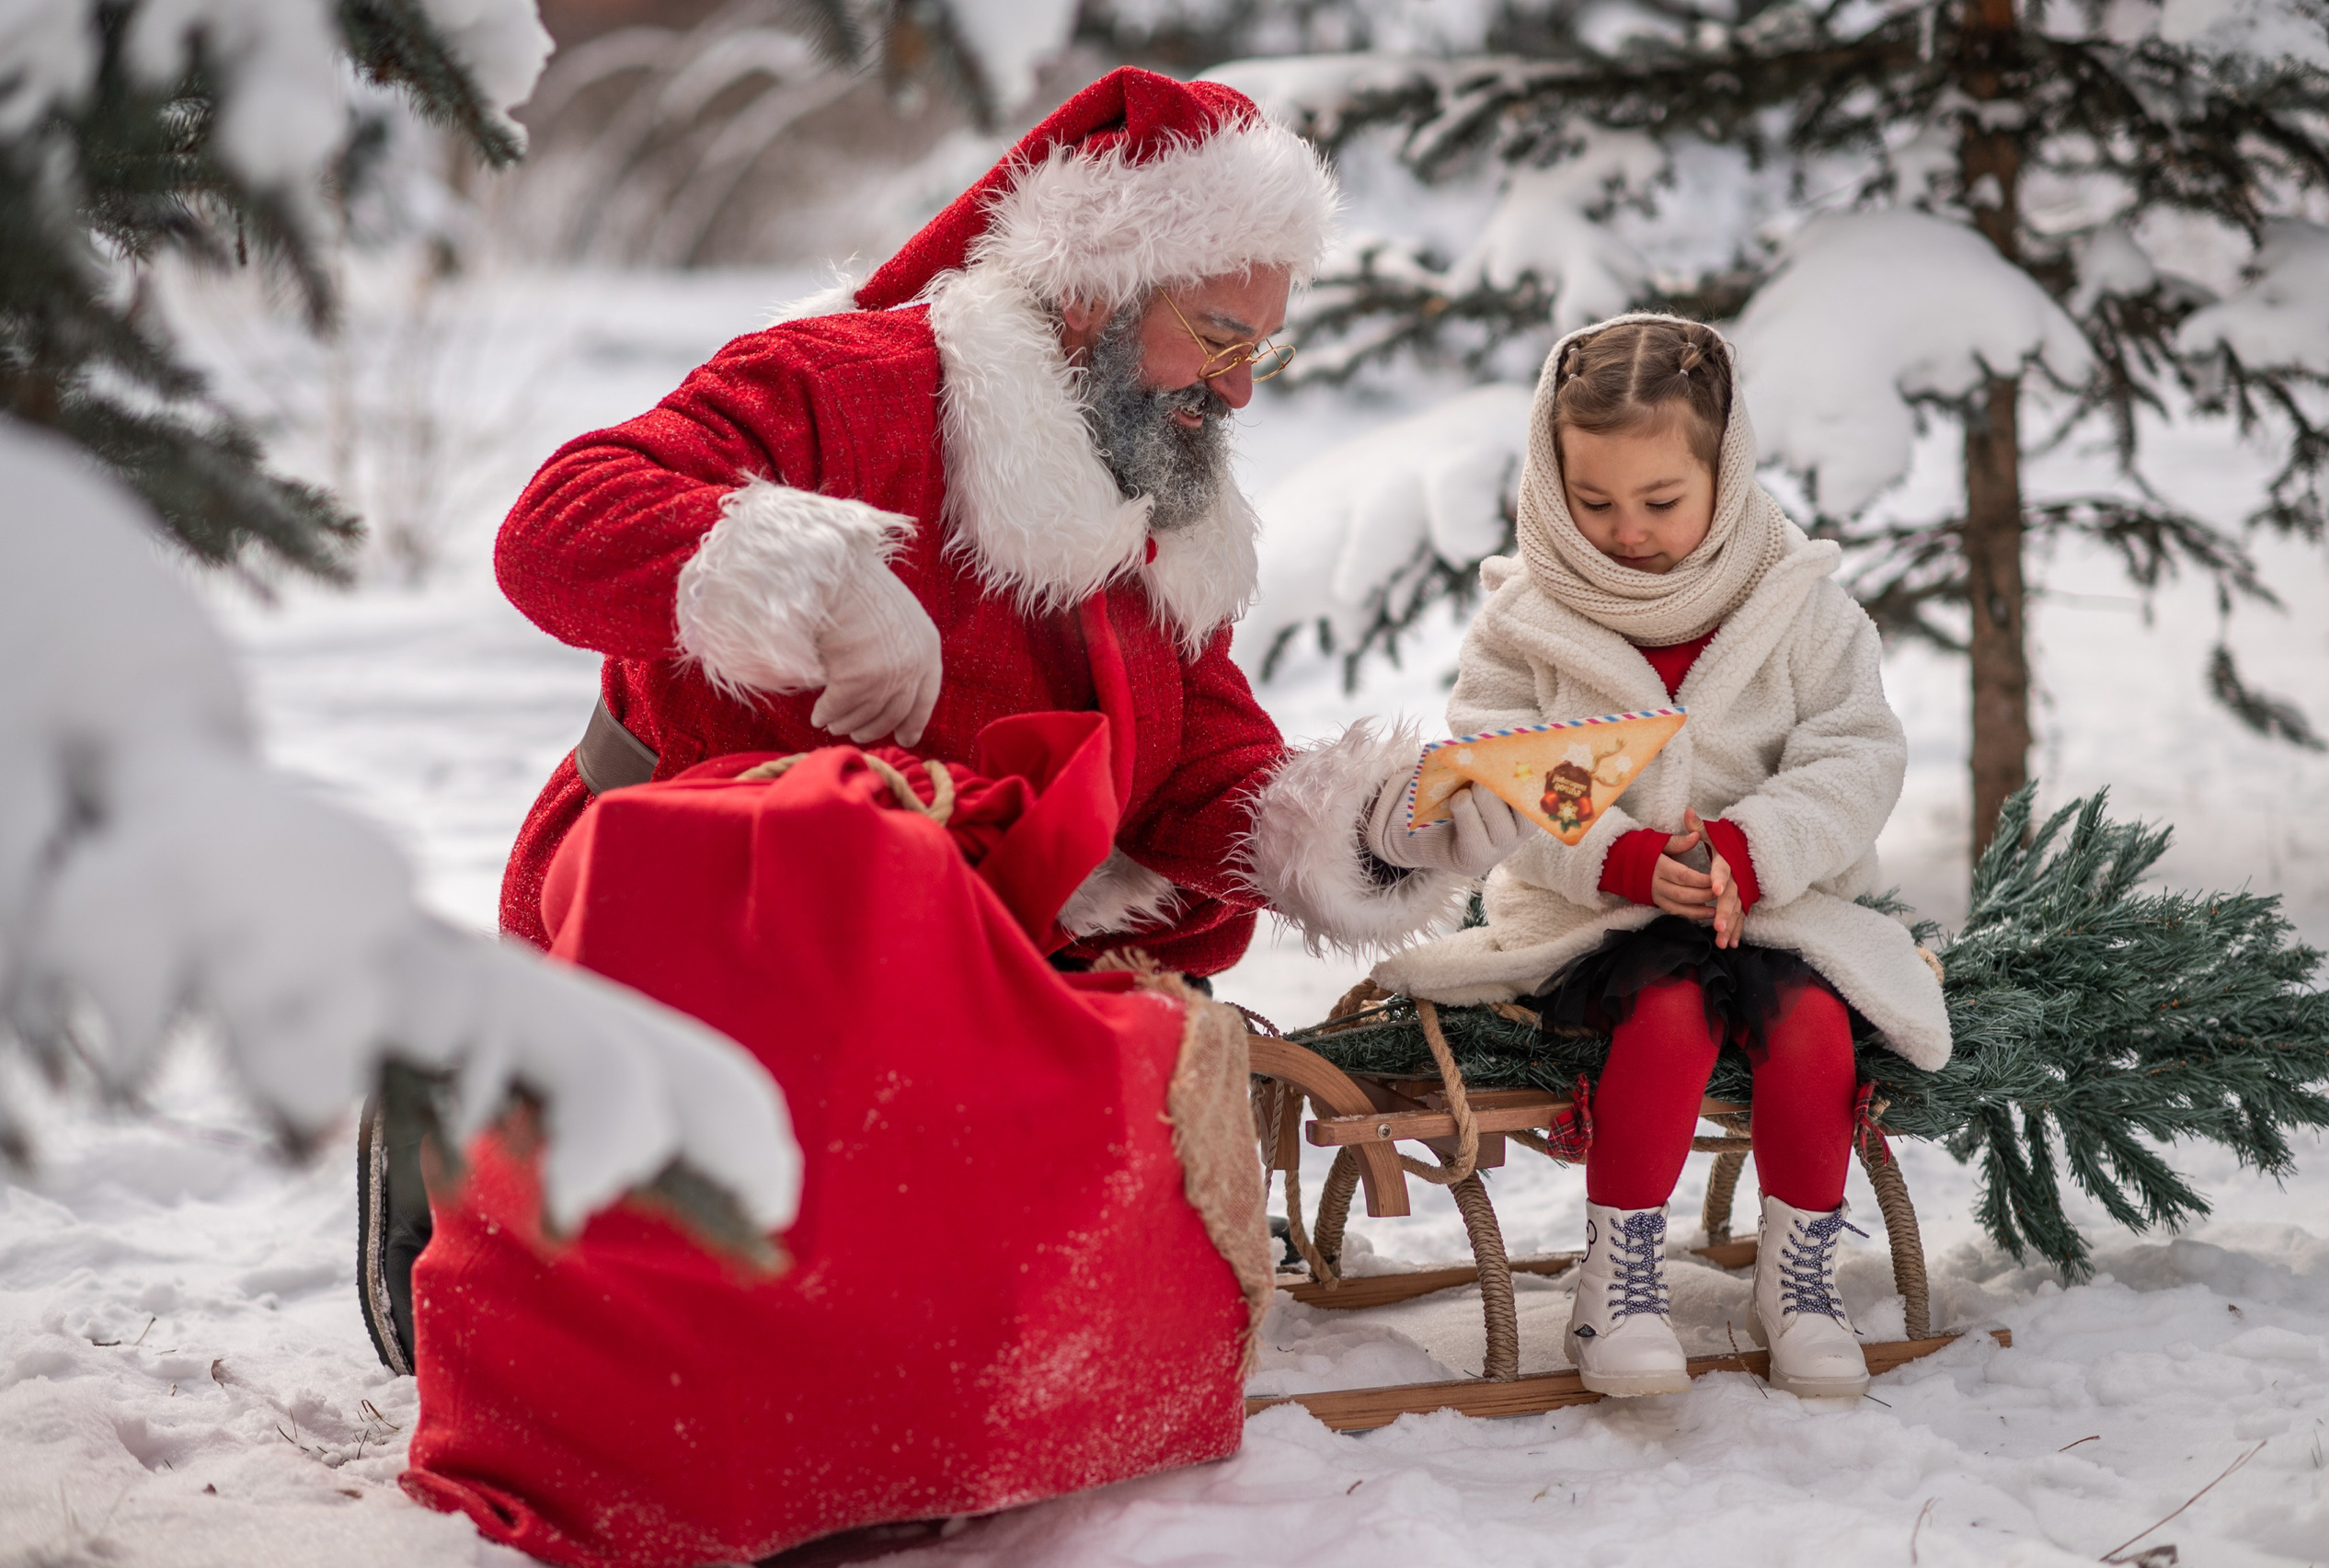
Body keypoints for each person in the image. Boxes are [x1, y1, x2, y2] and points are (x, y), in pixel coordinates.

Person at [359, 66, 1537, 1375]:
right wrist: (813, 576)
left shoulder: (1161, 494)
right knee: (719, 1338)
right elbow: (555, 527)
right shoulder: (842, 384)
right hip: (703, 939)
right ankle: (474, 1111)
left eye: (1260, 346)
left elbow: (1203, 761)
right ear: (1093, 289)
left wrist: (1374, 824)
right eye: (1214, 334)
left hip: (965, 976)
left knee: (999, 1327)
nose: (1240, 390)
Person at [1372, 315, 1951, 1400]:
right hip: (1603, 921)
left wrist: (1749, 846)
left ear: (1722, 478)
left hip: (1774, 908)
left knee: (1812, 1022)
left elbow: (1855, 756)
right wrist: (1622, 857)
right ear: (1551, 485)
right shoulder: (1524, 623)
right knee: (1670, 1009)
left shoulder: (1802, 609)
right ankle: (1618, 1283)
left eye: (1659, 501)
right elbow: (1502, 776)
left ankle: (1799, 1279)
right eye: (1593, 503)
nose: (1625, 530)